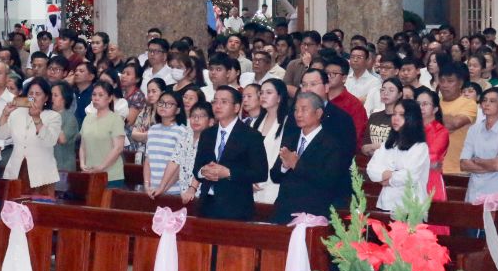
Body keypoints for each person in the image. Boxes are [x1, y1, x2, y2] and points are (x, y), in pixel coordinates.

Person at [184, 86, 268, 220]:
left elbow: (260, 173)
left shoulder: (251, 135)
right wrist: (203, 172)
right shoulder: (207, 134)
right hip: (206, 204)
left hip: (236, 207)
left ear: (236, 107)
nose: (218, 106)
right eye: (215, 101)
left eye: (224, 102)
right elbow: (197, 169)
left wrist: (228, 173)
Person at [270, 92, 352, 221]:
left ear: (318, 113)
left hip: (313, 212)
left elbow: (329, 179)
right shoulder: (290, 139)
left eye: (304, 109)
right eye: (296, 110)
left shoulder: (332, 144)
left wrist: (296, 164)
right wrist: (284, 167)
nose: (298, 114)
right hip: (284, 209)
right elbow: (275, 176)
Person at [0, 78, 60, 197]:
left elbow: (50, 141)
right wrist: (5, 114)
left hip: (42, 175)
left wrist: (37, 119)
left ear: (46, 98)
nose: (33, 97)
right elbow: (1, 135)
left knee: (39, 207)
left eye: (38, 94)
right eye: (31, 93)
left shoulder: (53, 116)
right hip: (16, 171)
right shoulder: (17, 113)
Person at [365, 100, 431, 214]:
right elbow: (371, 169)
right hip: (386, 203)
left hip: (411, 207)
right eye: (394, 114)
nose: (395, 118)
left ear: (412, 118)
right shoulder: (388, 144)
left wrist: (387, 178)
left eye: (401, 115)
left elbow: (410, 176)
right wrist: (392, 174)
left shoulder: (420, 147)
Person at [460, 87, 498, 205]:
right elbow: (463, 164)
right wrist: (490, 165)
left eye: (492, 101)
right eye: (484, 100)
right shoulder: (474, 130)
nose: (486, 104)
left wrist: (478, 160)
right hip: (474, 192)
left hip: (497, 192)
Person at [79, 80, 129, 189]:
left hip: (111, 176)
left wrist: (100, 168)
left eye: (100, 95)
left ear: (110, 98)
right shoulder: (87, 118)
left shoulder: (116, 119)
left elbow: (118, 148)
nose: (96, 98)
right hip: (90, 173)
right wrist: (82, 164)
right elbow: (83, 146)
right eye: (94, 95)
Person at [141, 89, 192, 198]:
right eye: (161, 102)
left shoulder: (182, 131)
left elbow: (179, 166)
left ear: (178, 110)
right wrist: (147, 185)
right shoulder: (153, 129)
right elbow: (148, 160)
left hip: (174, 191)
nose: (163, 106)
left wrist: (163, 188)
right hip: (152, 190)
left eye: (169, 104)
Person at [438, 64, 478, 177]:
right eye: (442, 81)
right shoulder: (434, 103)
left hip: (458, 169)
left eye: (450, 81)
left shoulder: (468, 103)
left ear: (460, 83)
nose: (445, 85)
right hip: (433, 168)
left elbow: (455, 123)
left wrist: (432, 116)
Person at [415, 87, 449, 205]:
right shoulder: (409, 129)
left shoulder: (441, 131)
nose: (420, 107)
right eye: (418, 104)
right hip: (410, 180)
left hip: (431, 181)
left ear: (435, 109)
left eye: (425, 104)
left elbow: (431, 158)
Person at [363, 77, 404, 154]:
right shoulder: (374, 116)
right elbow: (364, 146)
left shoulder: (402, 118)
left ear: (399, 95)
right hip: (372, 159)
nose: (385, 93)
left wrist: (375, 147)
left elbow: (399, 145)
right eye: (383, 90)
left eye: (391, 90)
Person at [50, 81, 80, 175]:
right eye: (51, 95)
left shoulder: (70, 118)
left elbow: (62, 139)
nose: (51, 98)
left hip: (63, 168)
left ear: (64, 99)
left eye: (55, 95)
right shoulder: (45, 115)